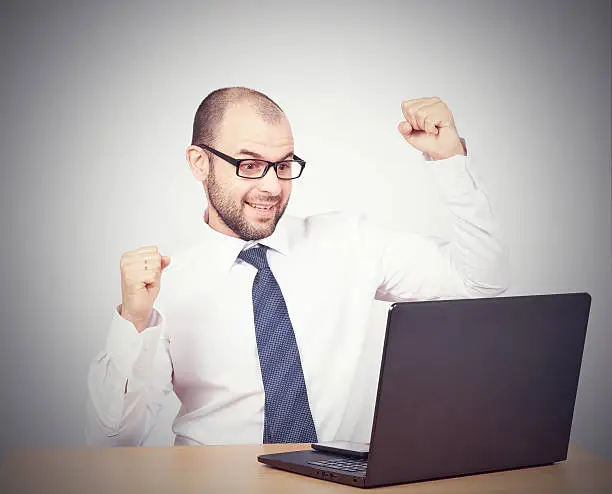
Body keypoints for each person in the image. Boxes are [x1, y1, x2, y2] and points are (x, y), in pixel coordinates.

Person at [86, 87, 509, 447]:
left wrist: (449, 160)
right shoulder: (166, 285)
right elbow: (116, 441)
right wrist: (133, 321)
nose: (272, 186)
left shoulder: (350, 243)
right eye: (249, 165)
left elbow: (479, 283)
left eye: (284, 165)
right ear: (200, 163)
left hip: (340, 483)